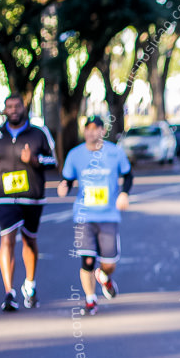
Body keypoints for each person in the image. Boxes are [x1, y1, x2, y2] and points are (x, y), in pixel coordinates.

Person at [0, 94, 57, 311]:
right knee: (6, 238)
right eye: (9, 106)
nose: (13, 109)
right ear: (5, 110)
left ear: (23, 108)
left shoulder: (38, 133)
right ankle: (10, 292)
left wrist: (33, 160)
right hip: (3, 195)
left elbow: (52, 160)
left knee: (29, 240)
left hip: (32, 196)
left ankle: (30, 282)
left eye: (17, 106)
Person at [58, 116, 133, 315]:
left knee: (109, 263)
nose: (91, 132)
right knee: (87, 260)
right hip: (84, 215)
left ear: (102, 131)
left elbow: (128, 174)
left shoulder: (115, 153)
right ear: (85, 132)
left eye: (95, 129)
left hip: (109, 215)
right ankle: (90, 299)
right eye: (88, 129)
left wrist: (124, 193)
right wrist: (64, 186)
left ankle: (104, 276)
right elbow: (68, 178)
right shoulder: (75, 154)